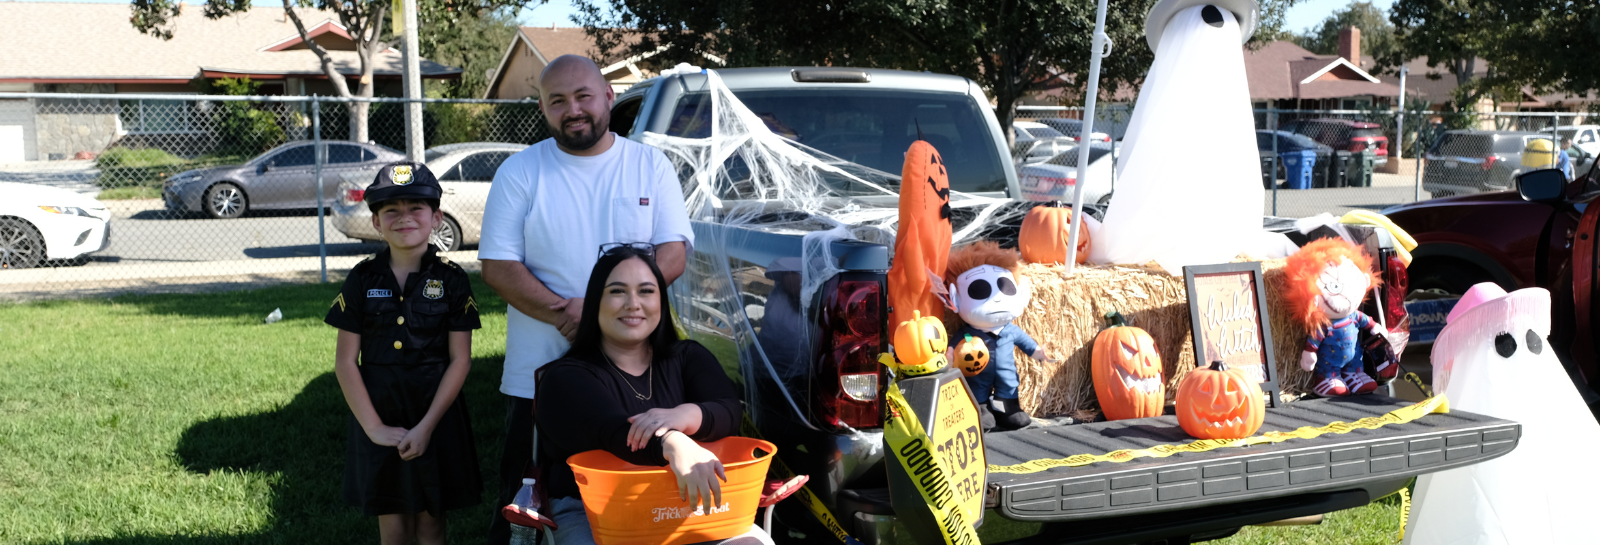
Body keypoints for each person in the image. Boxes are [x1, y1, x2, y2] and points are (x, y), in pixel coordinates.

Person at [478, 55, 695, 543]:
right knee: (524, 507)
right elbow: (498, 266)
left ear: (608, 98)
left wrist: (612, 317)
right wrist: (568, 313)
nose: (572, 109)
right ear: (543, 108)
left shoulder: (649, 166)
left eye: (583, 96)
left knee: (644, 503)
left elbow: (674, 254)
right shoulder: (520, 172)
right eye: (558, 101)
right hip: (537, 372)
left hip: (638, 377)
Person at [535, 246, 771, 545]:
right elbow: (613, 432)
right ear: (596, 302)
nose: (633, 304)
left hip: (690, 502)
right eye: (617, 291)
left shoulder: (687, 357)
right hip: (593, 510)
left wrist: (683, 416)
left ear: (661, 301)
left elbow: (728, 411)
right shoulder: (565, 377)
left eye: (646, 291)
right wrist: (672, 442)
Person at [325, 162, 483, 545]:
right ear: (377, 222)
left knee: (431, 523)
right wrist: (374, 428)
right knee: (393, 527)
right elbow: (346, 362)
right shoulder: (362, 278)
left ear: (436, 217)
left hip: (436, 414)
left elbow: (460, 359)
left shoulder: (452, 280)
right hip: (380, 414)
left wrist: (427, 426)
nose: (404, 218)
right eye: (390, 210)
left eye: (416, 208)